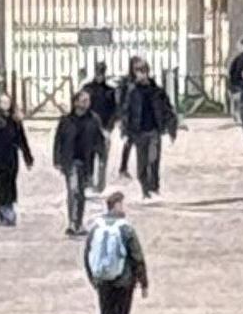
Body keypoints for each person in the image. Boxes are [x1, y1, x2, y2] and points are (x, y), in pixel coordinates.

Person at [84, 187, 148, 314]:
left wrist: (93, 278)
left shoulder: (96, 227)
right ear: (116, 205)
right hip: (123, 281)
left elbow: (88, 254)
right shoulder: (125, 228)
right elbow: (137, 256)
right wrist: (143, 282)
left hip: (102, 279)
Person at [118, 55, 176, 197]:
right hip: (138, 132)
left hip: (154, 130)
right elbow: (126, 111)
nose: (141, 73)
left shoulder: (156, 90)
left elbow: (167, 109)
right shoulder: (132, 91)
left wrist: (171, 128)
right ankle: (145, 189)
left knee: (154, 159)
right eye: (138, 70)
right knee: (142, 163)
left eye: (144, 70)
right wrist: (125, 130)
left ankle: (154, 187)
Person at [52, 86, 107, 234]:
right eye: (83, 100)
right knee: (73, 190)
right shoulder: (66, 120)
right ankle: (72, 223)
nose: (87, 103)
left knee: (81, 193)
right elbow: (58, 140)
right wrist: (57, 159)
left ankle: (79, 223)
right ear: (76, 103)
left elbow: (99, 140)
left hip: (87, 161)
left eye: (88, 100)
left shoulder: (94, 120)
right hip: (70, 161)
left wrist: (102, 157)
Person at [0, 94, 35, 225]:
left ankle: (8, 208)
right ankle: (3, 208)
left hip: (12, 156)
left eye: (7, 102)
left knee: (11, 183)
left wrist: (28, 157)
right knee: (1, 184)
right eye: (3, 102)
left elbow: (22, 139)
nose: (5, 105)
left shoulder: (15, 121)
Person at [84, 61, 120, 162]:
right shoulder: (87, 89)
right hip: (89, 129)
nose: (99, 75)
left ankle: (101, 178)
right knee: (88, 159)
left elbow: (115, 111)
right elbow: (82, 108)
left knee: (102, 161)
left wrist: (109, 128)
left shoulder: (110, 91)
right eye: (98, 72)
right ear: (95, 72)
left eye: (101, 73)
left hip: (105, 129)